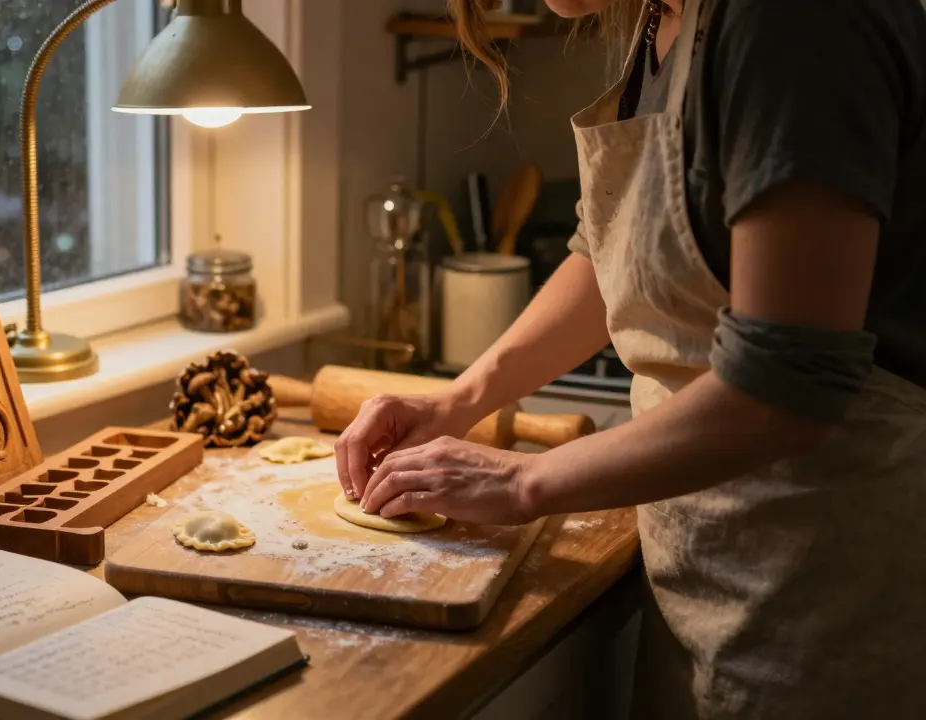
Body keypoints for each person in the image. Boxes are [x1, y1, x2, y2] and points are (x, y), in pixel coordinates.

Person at [336, 0, 926, 716]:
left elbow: (786, 384)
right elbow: (614, 253)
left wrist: (525, 481)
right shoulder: (661, 17)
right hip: (707, 571)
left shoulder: (796, 23)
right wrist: (460, 399)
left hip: (832, 590)